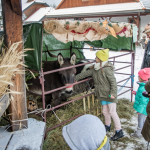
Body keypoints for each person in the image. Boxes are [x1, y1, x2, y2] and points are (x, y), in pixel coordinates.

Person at [75, 49, 124, 141]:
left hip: (109, 95)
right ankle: (107, 126)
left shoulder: (107, 69)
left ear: (101, 59)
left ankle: (119, 131)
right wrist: (75, 78)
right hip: (101, 94)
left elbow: (113, 82)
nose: (95, 58)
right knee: (105, 112)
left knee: (113, 112)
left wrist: (113, 93)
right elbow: (86, 73)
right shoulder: (96, 69)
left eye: (97, 57)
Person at [131, 68, 150, 139]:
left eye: (139, 76)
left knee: (140, 119)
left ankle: (138, 133)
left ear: (143, 78)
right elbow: (142, 96)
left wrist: (140, 109)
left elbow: (143, 100)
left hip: (142, 107)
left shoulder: (144, 87)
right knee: (143, 119)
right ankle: (143, 131)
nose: (138, 77)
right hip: (143, 107)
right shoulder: (143, 86)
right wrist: (136, 93)